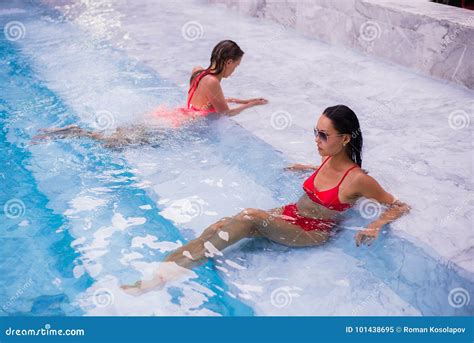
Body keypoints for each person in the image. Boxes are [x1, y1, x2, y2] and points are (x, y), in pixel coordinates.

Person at [121, 105, 411, 294]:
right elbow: (330, 173)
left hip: (312, 230)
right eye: (315, 133)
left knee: (249, 217)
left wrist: (375, 225)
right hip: (291, 213)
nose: (316, 140)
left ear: (345, 139)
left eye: (323, 135)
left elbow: (399, 205)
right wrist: (308, 167)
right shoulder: (326, 158)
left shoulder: (359, 179)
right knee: (222, 224)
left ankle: (156, 282)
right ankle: (162, 270)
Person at [31, 40, 268, 148]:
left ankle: (69, 132)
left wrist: (240, 99)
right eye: (236, 66)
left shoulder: (199, 72)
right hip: (175, 125)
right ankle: (74, 132)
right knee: (112, 144)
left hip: (166, 115)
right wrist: (251, 105)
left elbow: (207, 99)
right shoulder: (214, 83)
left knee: (115, 135)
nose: (235, 70)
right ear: (228, 62)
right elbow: (225, 114)